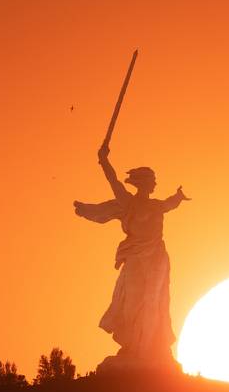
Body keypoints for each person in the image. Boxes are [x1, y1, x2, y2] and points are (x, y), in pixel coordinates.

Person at [73, 143, 189, 369]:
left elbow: (169, 204)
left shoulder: (156, 206)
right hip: (136, 258)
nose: (154, 184)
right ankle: (133, 348)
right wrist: (104, 161)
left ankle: (148, 350)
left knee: (153, 303)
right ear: (142, 183)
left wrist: (178, 196)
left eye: (154, 181)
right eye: (151, 181)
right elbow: (113, 181)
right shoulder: (128, 203)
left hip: (156, 259)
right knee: (132, 303)